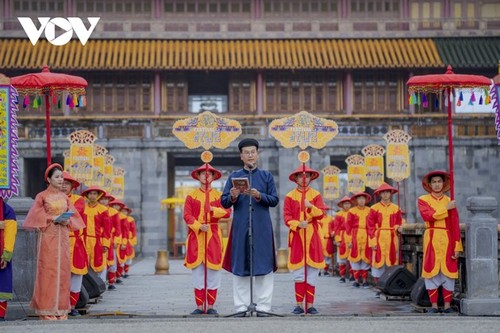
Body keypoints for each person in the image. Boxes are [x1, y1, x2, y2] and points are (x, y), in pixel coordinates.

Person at [221, 138, 279, 317]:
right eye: (246, 152)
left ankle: (263, 306)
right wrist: (232, 196)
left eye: (253, 151)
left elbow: (275, 200)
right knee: (241, 265)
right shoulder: (234, 176)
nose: (250, 155)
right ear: (241, 156)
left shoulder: (266, 176)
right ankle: (241, 306)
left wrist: (259, 195)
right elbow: (223, 202)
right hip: (240, 227)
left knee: (264, 265)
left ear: (257, 154)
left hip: (261, 227)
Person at [23, 163, 85, 320]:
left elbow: (75, 216)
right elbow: (34, 217)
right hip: (48, 237)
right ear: (49, 179)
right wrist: (52, 218)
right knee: (48, 272)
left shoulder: (65, 197)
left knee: (63, 272)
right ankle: (47, 310)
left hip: (63, 237)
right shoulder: (42, 196)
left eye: (61, 177)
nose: (61, 180)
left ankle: (61, 309)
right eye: (57, 177)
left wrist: (67, 220)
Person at [183, 164, 231, 315]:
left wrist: (213, 210)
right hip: (196, 236)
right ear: (197, 176)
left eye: (209, 173)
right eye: (202, 173)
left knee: (213, 272)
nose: (206, 176)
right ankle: (199, 305)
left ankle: (210, 305)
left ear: (213, 176)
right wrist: (198, 226)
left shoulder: (218, 195)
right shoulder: (191, 196)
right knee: (198, 273)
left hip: (213, 235)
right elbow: (187, 215)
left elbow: (227, 212)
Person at [283, 165, 327, 315]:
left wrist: (310, 206)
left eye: (307, 176)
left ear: (310, 178)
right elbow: (287, 217)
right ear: (295, 178)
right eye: (301, 176)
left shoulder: (316, 195)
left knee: (312, 271)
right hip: (297, 236)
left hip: (312, 235)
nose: (304, 179)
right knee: (299, 272)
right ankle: (299, 304)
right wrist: (297, 223)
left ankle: (310, 304)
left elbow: (321, 214)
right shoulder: (289, 196)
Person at [417, 170, 462, 314]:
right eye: (434, 182)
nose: (437, 185)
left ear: (444, 183)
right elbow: (428, 216)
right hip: (431, 237)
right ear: (430, 184)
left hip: (448, 238)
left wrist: (457, 246)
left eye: (439, 181)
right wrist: (445, 208)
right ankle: (434, 306)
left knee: (448, 273)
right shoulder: (423, 199)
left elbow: (455, 224)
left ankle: (447, 306)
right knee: (431, 272)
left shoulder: (450, 201)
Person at [61, 171, 87, 316]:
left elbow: (75, 215)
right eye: (62, 183)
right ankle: (60, 305)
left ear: (72, 186)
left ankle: (72, 306)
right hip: (58, 241)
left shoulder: (78, 200)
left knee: (76, 275)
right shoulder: (52, 198)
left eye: (67, 184)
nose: (64, 186)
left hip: (75, 241)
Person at [367, 183, 403, 287]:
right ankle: (378, 286)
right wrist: (373, 241)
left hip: (392, 237)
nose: (386, 194)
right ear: (380, 194)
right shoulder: (374, 208)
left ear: (391, 193)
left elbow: (398, 222)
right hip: (379, 236)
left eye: (388, 192)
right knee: (378, 262)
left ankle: (389, 286)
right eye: (383, 192)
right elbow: (370, 226)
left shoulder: (396, 208)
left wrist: (398, 228)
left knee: (391, 261)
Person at [81, 186, 111, 283]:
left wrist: (105, 243)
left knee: (99, 263)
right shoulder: (82, 208)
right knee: (84, 263)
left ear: (98, 196)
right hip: (83, 240)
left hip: (97, 240)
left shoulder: (103, 209)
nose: (92, 196)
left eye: (94, 194)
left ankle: (100, 285)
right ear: (87, 195)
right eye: (90, 194)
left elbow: (107, 228)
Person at [346, 192, 373, 288]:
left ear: (366, 200)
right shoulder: (352, 211)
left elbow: (372, 225)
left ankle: (365, 280)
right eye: (359, 198)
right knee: (355, 258)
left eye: (363, 198)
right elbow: (348, 227)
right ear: (356, 200)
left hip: (366, 234)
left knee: (365, 259)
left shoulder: (370, 210)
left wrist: (372, 238)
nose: (361, 200)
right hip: (355, 235)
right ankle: (356, 280)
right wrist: (349, 241)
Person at [0, 201, 17, 321]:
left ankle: (0, 314)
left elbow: (10, 233)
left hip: (1, 252)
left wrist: (6, 255)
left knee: (2, 284)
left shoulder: (7, 209)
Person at [332, 196, 352, 283]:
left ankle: (352, 276)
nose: (347, 205)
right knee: (341, 259)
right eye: (345, 204)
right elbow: (336, 228)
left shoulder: (353, 213)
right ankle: (342, 276)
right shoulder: (339, 215)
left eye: (348, 203)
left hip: (351, 236)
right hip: (342, 236)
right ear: (342, 205)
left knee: (352, 258)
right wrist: (337, 240)